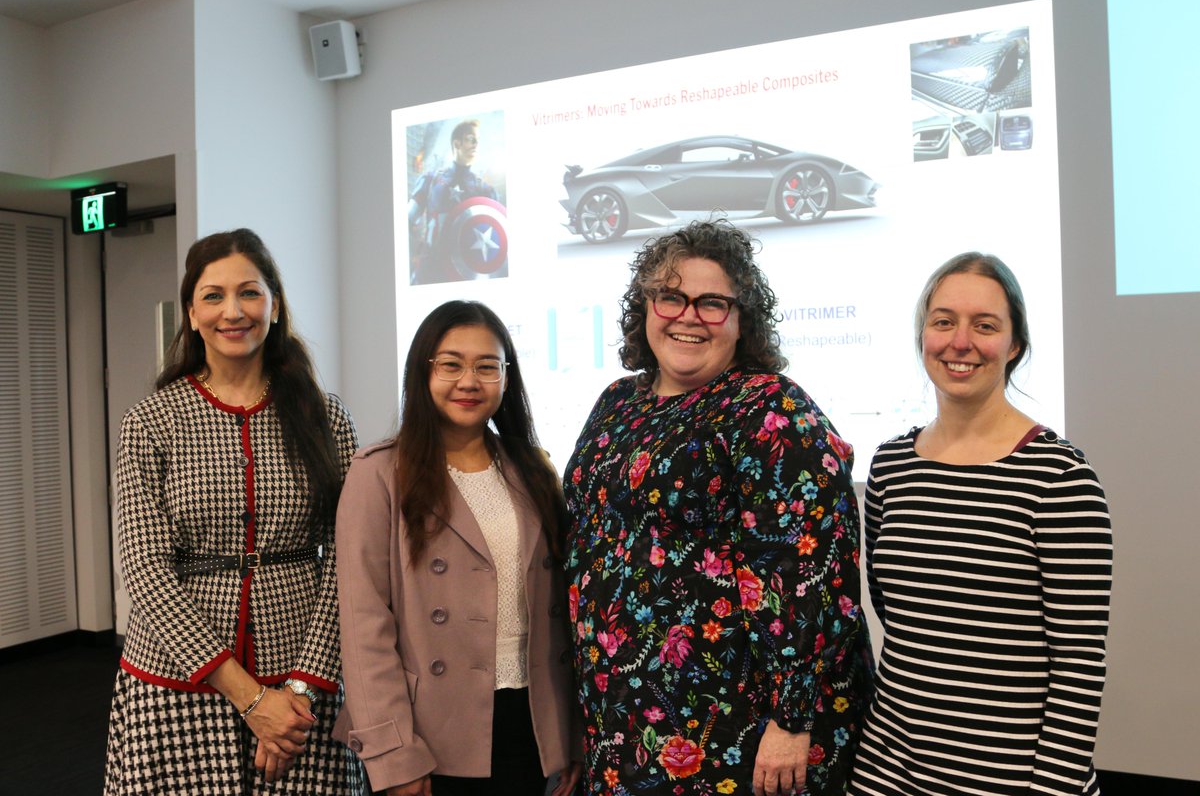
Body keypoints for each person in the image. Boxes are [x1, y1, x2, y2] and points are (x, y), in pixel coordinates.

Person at [563, 219, 874, 795]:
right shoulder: (616, 403)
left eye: (712, 303)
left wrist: (792, 718)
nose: (688, 316)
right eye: (671, 297)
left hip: (732, 725)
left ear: (741, 319)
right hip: (619, 715)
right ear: (646, 307)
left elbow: (809, 571)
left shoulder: (770, 408)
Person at [104, 229, 362, 793]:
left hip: (301, 682)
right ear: (192, 313)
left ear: (274, 304)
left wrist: (296, 693)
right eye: (214, 296)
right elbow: (145, 571)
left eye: (249, 292)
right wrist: (250, 700)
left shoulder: (326, 417)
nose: (233, 311)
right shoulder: (151, 421)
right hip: (178, 680)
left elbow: (352, 561)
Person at [847, 253, 1112, 796]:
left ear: (1014, 345)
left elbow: (1079, 672)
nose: (960, 342)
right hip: (888, 771)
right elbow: (901, 630)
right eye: (943, 321)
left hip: (1012, 782)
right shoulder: (891, 466)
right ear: (923, 334)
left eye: (984, 325)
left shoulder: (1059, 475)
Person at [334, 300, 583, 796]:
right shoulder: (379, 471)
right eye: (451, 364)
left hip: (532, 724)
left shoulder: (533, 467)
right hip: (431, 734)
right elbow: (365, 626)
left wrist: (568, 737)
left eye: (487, 366)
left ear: (506, 378)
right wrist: (394, 755)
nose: (469, 381)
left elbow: (559, 615)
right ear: (422, 370)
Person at [408, 119, 502, 285]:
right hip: (430, 269)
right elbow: (408, 218)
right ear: (457, 143)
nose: (475, 145)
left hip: (468, 272)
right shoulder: (430, 179)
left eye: (477, 141)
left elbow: (497, 234)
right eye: (471, 139)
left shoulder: (485, 189)